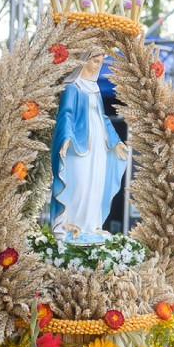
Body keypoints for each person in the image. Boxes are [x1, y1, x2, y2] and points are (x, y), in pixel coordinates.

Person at [50, 52, 128, 244]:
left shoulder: (95, 88)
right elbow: (66, 114)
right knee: (80, 183)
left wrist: (115, 141)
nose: (97, 66)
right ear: (84, 60)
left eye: (100, 63)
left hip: (98, 147)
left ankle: (91, 226)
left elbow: (103, 118)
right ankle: (71, 224)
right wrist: (66, 137)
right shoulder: (73, 88)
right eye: (95, 61)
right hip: (78, 145)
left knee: (96, 184)